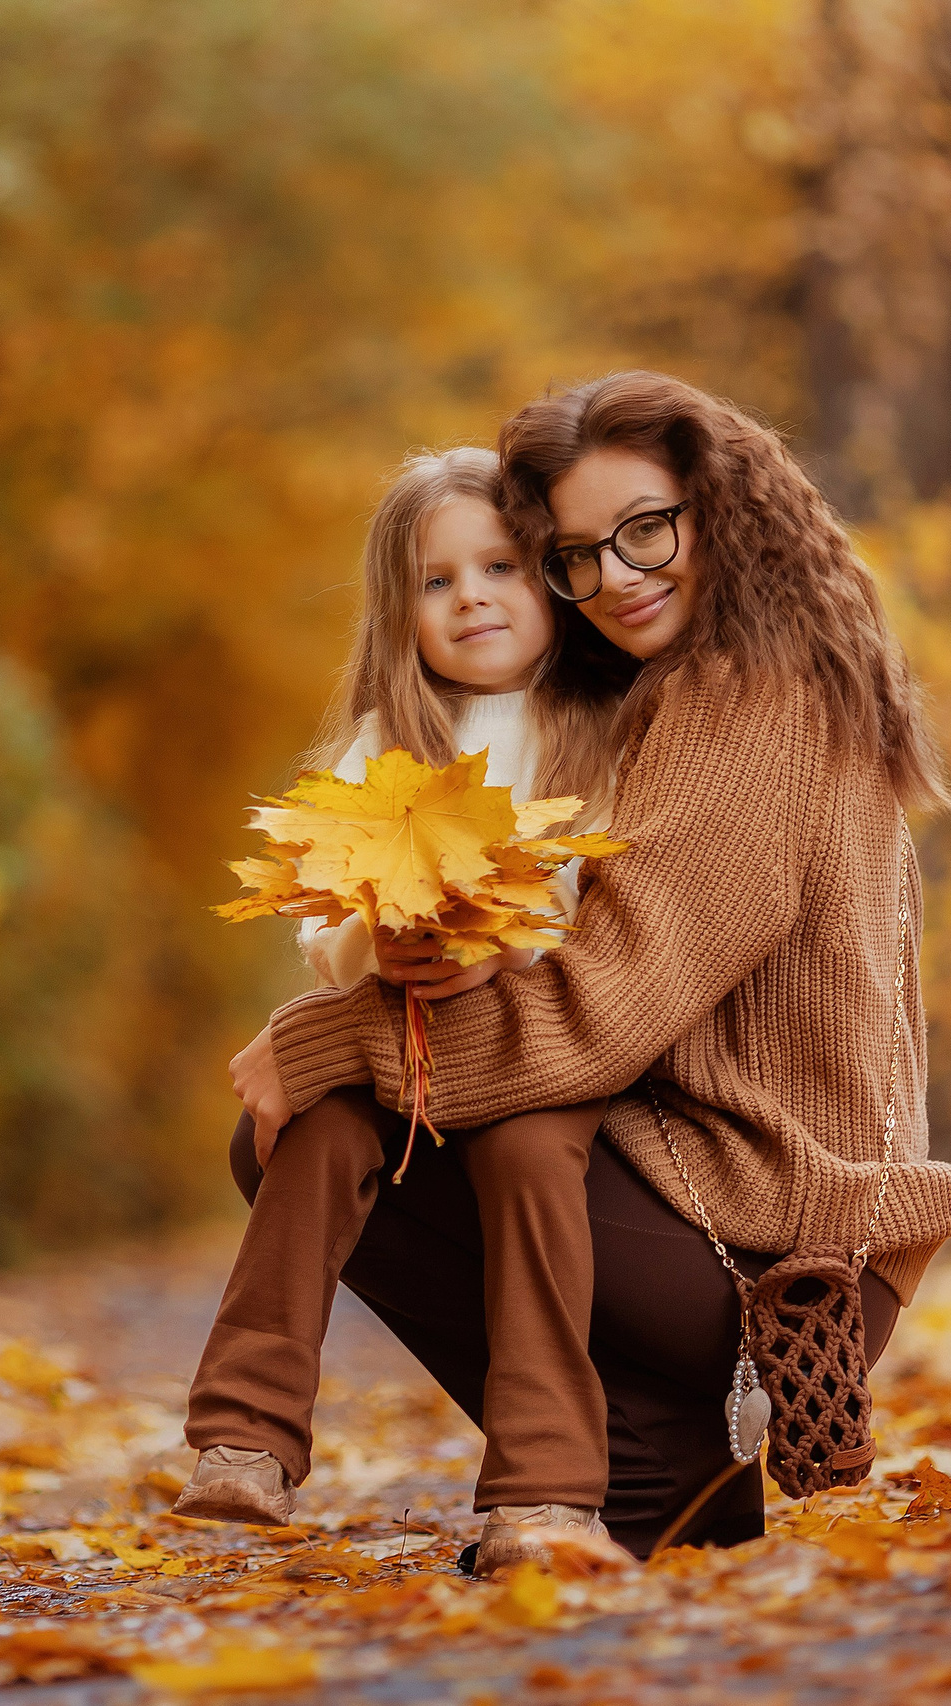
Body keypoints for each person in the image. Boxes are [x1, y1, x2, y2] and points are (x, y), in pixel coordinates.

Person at [223, 373, 951, 1558]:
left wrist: (322, 1040)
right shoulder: (693, 685)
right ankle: (654, 1463)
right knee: (374, 1125)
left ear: (718, 504)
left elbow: (594, 1010)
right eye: (576, 554)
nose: (616, 577)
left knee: (321, 1111)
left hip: (771, 1244)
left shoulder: (751, 703)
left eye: (646, 528)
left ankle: (621, 1454)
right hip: (708, 1194)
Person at [175, 447, 630, 1575]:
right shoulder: (393, 744)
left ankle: (546, 1491)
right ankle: (246, 1434)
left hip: (540, 1052)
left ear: (555, 583)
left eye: (502, 566)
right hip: (408, 1037)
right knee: (316, 1132)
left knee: (528, 1163)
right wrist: (370, 940)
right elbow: (324, 919)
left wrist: (498, 937)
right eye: (437, 580)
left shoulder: (604, 727)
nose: (471, 594)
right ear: (400, 611)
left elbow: (618, 912)